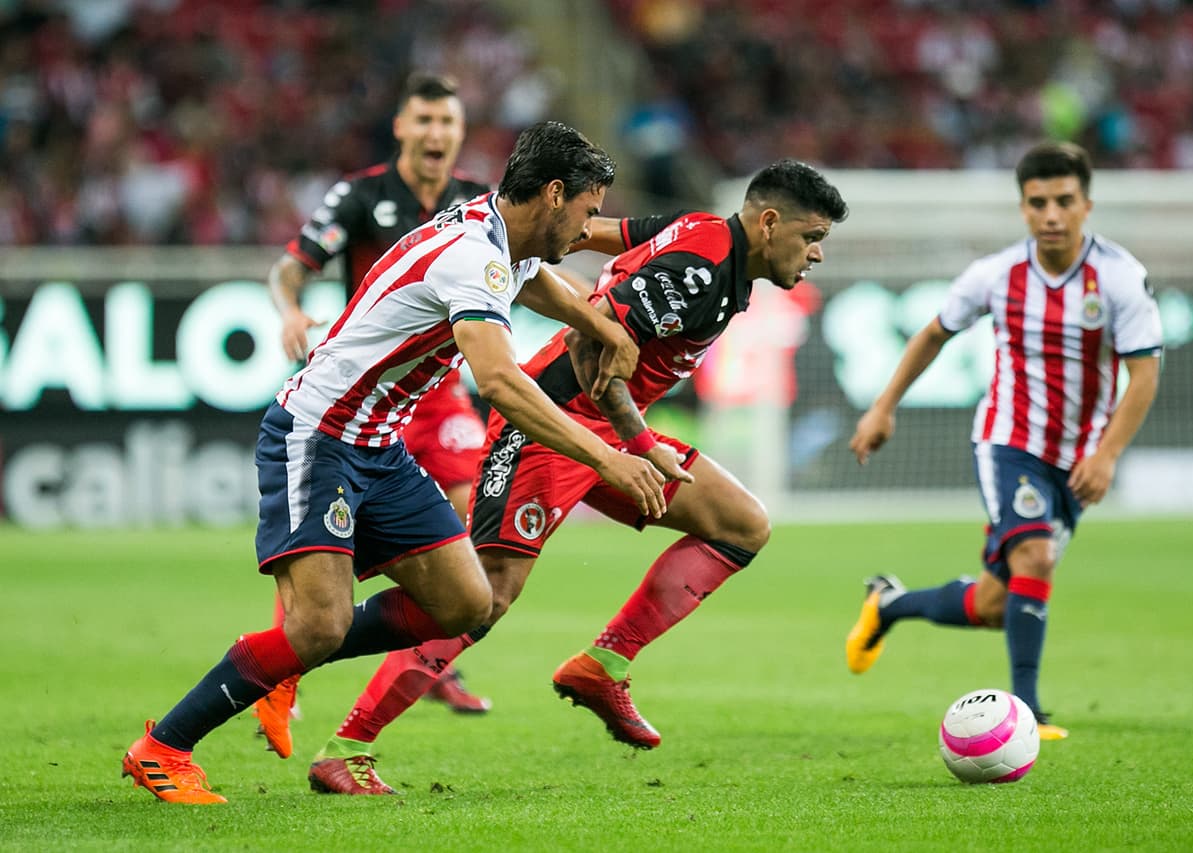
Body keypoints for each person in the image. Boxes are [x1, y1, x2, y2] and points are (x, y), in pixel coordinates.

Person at [121, 121, 669, 805]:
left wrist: (602, 323)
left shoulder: (502, 233)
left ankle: (284, 654)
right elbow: (499, 382)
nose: (590, 226)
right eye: (589, 211)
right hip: (317, 434)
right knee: (319, 625)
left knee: (464, 601)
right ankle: (164, 746)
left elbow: (536, 281)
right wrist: (610, 460)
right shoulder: (475, 255)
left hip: (379, 445)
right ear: (555, 195)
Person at [300, 159, 848, 794]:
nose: (815, 256)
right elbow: (595, 350)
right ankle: (342, 735)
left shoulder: (701, 236)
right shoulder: (696, 272)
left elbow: (594, 231)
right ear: (770, 222)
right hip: (552, 423)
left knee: (742, 524)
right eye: (812, 239)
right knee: (489, 594)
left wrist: (539, 240)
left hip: (614, 430)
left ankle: (603, 664)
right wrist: (639, 445)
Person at [845, 141, 1162, 741]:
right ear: (1022, 208)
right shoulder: (995, 275)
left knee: (997, 605)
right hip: (1008, 440)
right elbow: (933, 334)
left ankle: (888, 605)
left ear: (1086, 205)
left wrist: (1107, 452)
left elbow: (1144, 372)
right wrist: (883, 407)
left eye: (1063, 201)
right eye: (1037, 202)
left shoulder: (1118, 276)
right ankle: (1028, 714)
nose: (1051, 214)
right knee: (1034, 557)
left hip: (1078, 459)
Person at [260, 73, 494, 736]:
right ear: (400, 127)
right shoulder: (361, 195)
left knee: (457, 516)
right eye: (423, 120)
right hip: (365, 393)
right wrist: (291, 308)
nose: (435, 134)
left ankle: (431, 660)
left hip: (439, 389)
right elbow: (290, 266)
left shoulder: (477, 203)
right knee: (331, 549)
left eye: (447, 122)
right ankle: (284, 665)